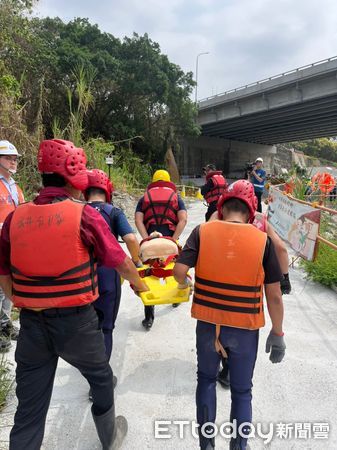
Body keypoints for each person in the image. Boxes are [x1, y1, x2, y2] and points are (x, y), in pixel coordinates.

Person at [0, 139, 148, 450]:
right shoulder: (84, 215)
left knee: (29, 409)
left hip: (32, 326)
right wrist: (140, 285)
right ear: (72, 173)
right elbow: (119, 260)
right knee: (102, 378)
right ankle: (109, 437)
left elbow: (4, 276)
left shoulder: (15, 218)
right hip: (77, 324)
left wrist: (25, 303)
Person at [173, 180, 285, 450]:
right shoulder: (263, 241)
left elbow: (178, 271)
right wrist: (278, 332)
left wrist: (185, 283)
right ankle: (238, 446)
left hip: (208, 325)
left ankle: (207, 445)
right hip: (244, 330)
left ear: (222, 208)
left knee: (207, 381)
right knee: (242, 391)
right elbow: (274, 296)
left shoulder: (202, 232)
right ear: (251, 210)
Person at [210, 201, 291, 389]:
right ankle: (236, 373)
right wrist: (284, 277)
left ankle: (225, 365)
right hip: (249, 290)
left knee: (220, 323)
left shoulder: (219, 217)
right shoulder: (261, 221)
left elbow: (205, 232)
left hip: (220, 283)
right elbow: (281, 248)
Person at [85, 168, 142, 365]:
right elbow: (131, 239)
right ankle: (100, 377)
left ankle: (89, 364)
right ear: (108, 189)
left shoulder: (77, 211)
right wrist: (136, 262)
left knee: (86, 325)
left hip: (81, 277)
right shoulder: (114, 212)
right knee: (106, 327)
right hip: (108, 274)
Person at [135, 169, 187, 329]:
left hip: (151, 242)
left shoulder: (144, 198)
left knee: (150, 275)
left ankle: (149, 317)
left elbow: (138, 220)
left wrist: (146, 239)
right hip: (169, 242)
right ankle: (175, 299)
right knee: (172, 270)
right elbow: (183, 219)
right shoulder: (176, 197)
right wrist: (173, 239)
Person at [0, 140, 24, 352]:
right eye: (9, 158)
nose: (13, 162)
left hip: (13, 244)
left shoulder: (15, 186)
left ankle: (6, 324)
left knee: (9, 284)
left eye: (15, 159)